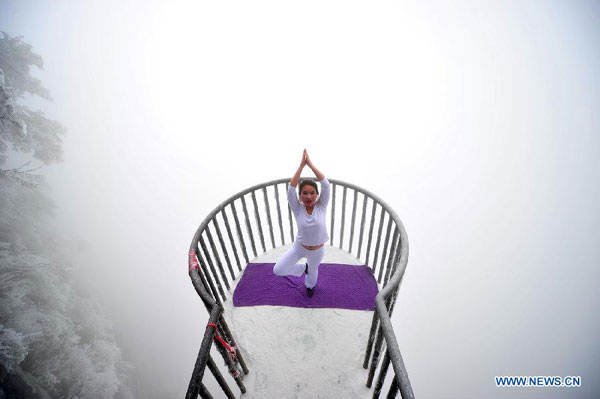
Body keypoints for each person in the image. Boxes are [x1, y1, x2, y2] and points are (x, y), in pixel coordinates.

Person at [273, 149, 330, 298]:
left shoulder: (321, 207)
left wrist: (310, 165)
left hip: (317, 251)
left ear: (317, 195)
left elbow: (326, 185)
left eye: (312, 192)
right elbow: (291, 189)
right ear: (300, 196)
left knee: (312, 276)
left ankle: (309, 285)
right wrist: (301, 166)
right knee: (278, 270)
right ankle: (303, 269)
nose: (309, 196)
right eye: (304, 193)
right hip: (299, 248)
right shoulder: (298, 209)